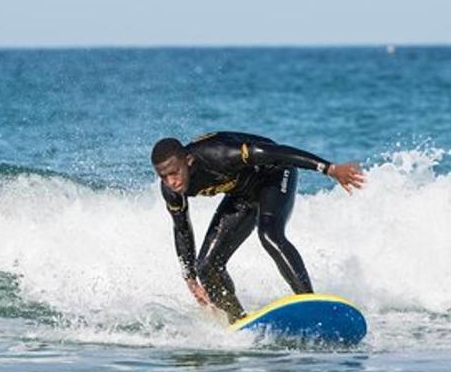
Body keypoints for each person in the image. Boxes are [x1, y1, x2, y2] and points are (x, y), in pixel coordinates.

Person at [151, 132, 365, 321]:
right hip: (242, 194)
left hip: (274, 173)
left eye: (174, 173)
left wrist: (329, 168)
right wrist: (189, 277)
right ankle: (238, 321)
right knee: (206, 266)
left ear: (187, 161)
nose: (172, 182)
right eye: (164, 176)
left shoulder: (219, 154)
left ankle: (310, 303)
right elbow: (181, 229)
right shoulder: (171, 190)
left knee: (269, 235)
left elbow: (275, 152)